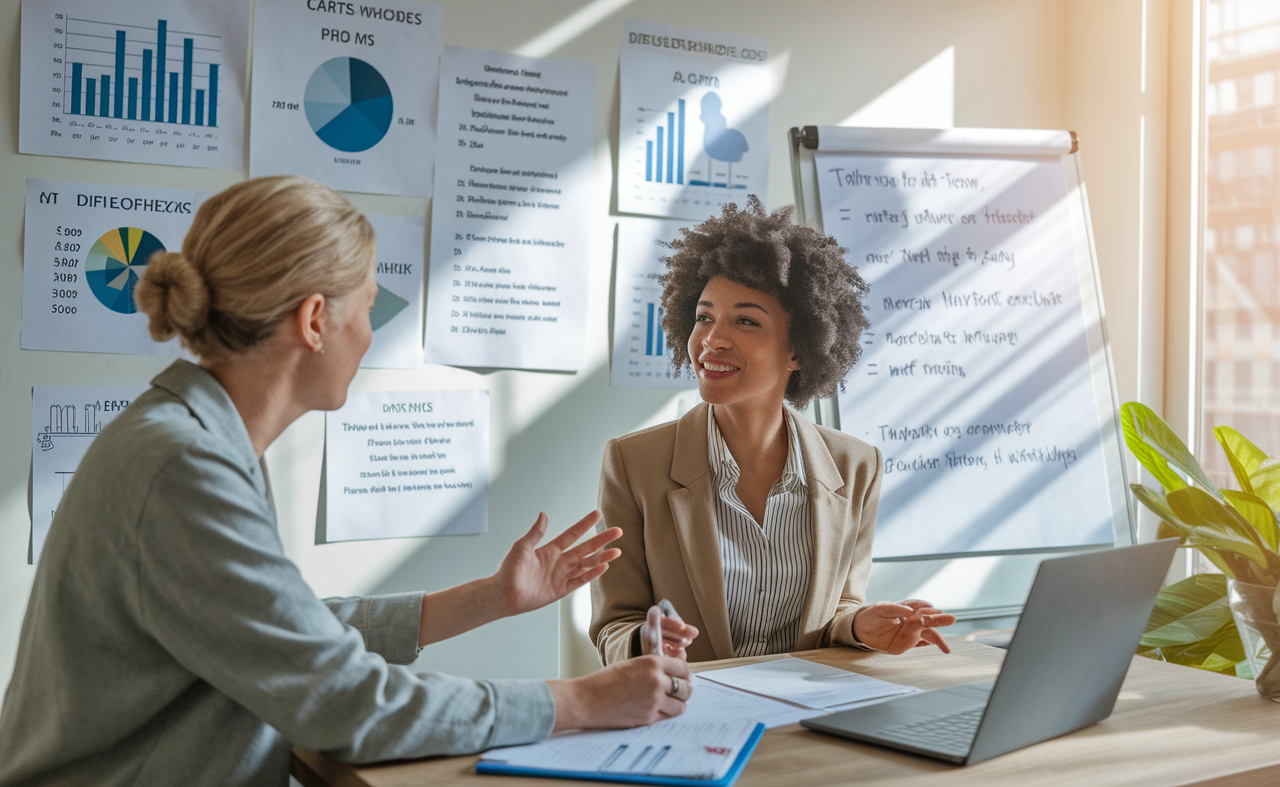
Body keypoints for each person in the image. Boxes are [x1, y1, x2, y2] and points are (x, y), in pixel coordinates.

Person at [0, 177, 692, 787]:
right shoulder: (183, 467)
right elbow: (345, 703)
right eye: (367, 307)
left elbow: (281, 631)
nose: (369, 333)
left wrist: (490, 598)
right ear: (313, 321)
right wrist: (579, 701)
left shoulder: (192, 436)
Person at [590, 197, 955, 664]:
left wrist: (861, 625)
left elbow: (839, 604)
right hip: (692, 712)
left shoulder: (856, 466)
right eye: (704, 317)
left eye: (745, 321)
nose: (712, 339)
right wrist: (647, 641)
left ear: (799, 350)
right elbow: (614, 625)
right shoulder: (634, 463)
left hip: (804, 713)